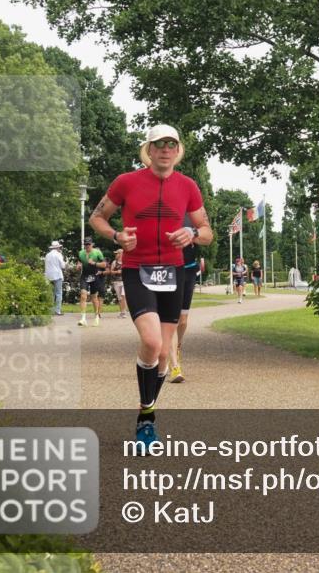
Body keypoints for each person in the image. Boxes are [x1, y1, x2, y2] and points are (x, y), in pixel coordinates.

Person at [89, 124, 212, 450]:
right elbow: (96, 218)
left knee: (163, 355)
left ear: (178, 149)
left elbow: (206, 229)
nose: (165, 149)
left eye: (172, 143)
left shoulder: (188, 186)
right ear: (149, 148)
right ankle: (147, 417)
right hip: (138, 269)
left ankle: (146, 416)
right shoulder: (126, 182)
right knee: (152, 341)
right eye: (159, 144)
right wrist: (117, 236)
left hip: (174, 273)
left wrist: (193, 235)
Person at [168, 213, 199, 383]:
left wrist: (194, 234)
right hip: (170, 269)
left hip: (189, 269)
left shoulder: (192, 216)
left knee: (183, 320)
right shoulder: (165, 215)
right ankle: (174, 366)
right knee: (171, 319)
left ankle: (177, 346)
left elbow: (207, 236)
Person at [77, 238, 107, 327]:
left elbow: (104, 264)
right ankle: (83, 318)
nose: (87, 246)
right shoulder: (81, 253)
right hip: (84, 276)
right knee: (83, 295)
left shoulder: (97, 252)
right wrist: (78, 265)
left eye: (89, 244)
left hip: (95, 276)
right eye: (86, 244)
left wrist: (94, 263)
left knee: (94, 297)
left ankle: (96, 316)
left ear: (92, 244)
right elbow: (79, 262)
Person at [44, 241, 67, 315]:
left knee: (50, 293)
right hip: (57, 275)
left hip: (48, 275)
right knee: (58, 293)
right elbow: (63, 266)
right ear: (57, 247)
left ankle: (50, 310)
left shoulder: (47, 255)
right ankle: (57, 310)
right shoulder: (59, 254)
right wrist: (66, 263)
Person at [109, 249, 128, 318]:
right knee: (120, 298)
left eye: (117, 253)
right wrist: (117, 272)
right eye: (116, 253)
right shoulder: (114, 262)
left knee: (123, 296)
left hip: (124, 282)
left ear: (121, 254)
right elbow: (111, 272)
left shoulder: (126, 261)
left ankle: (124, 312)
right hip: (116, 282)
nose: (115, 255)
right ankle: (122, 312)